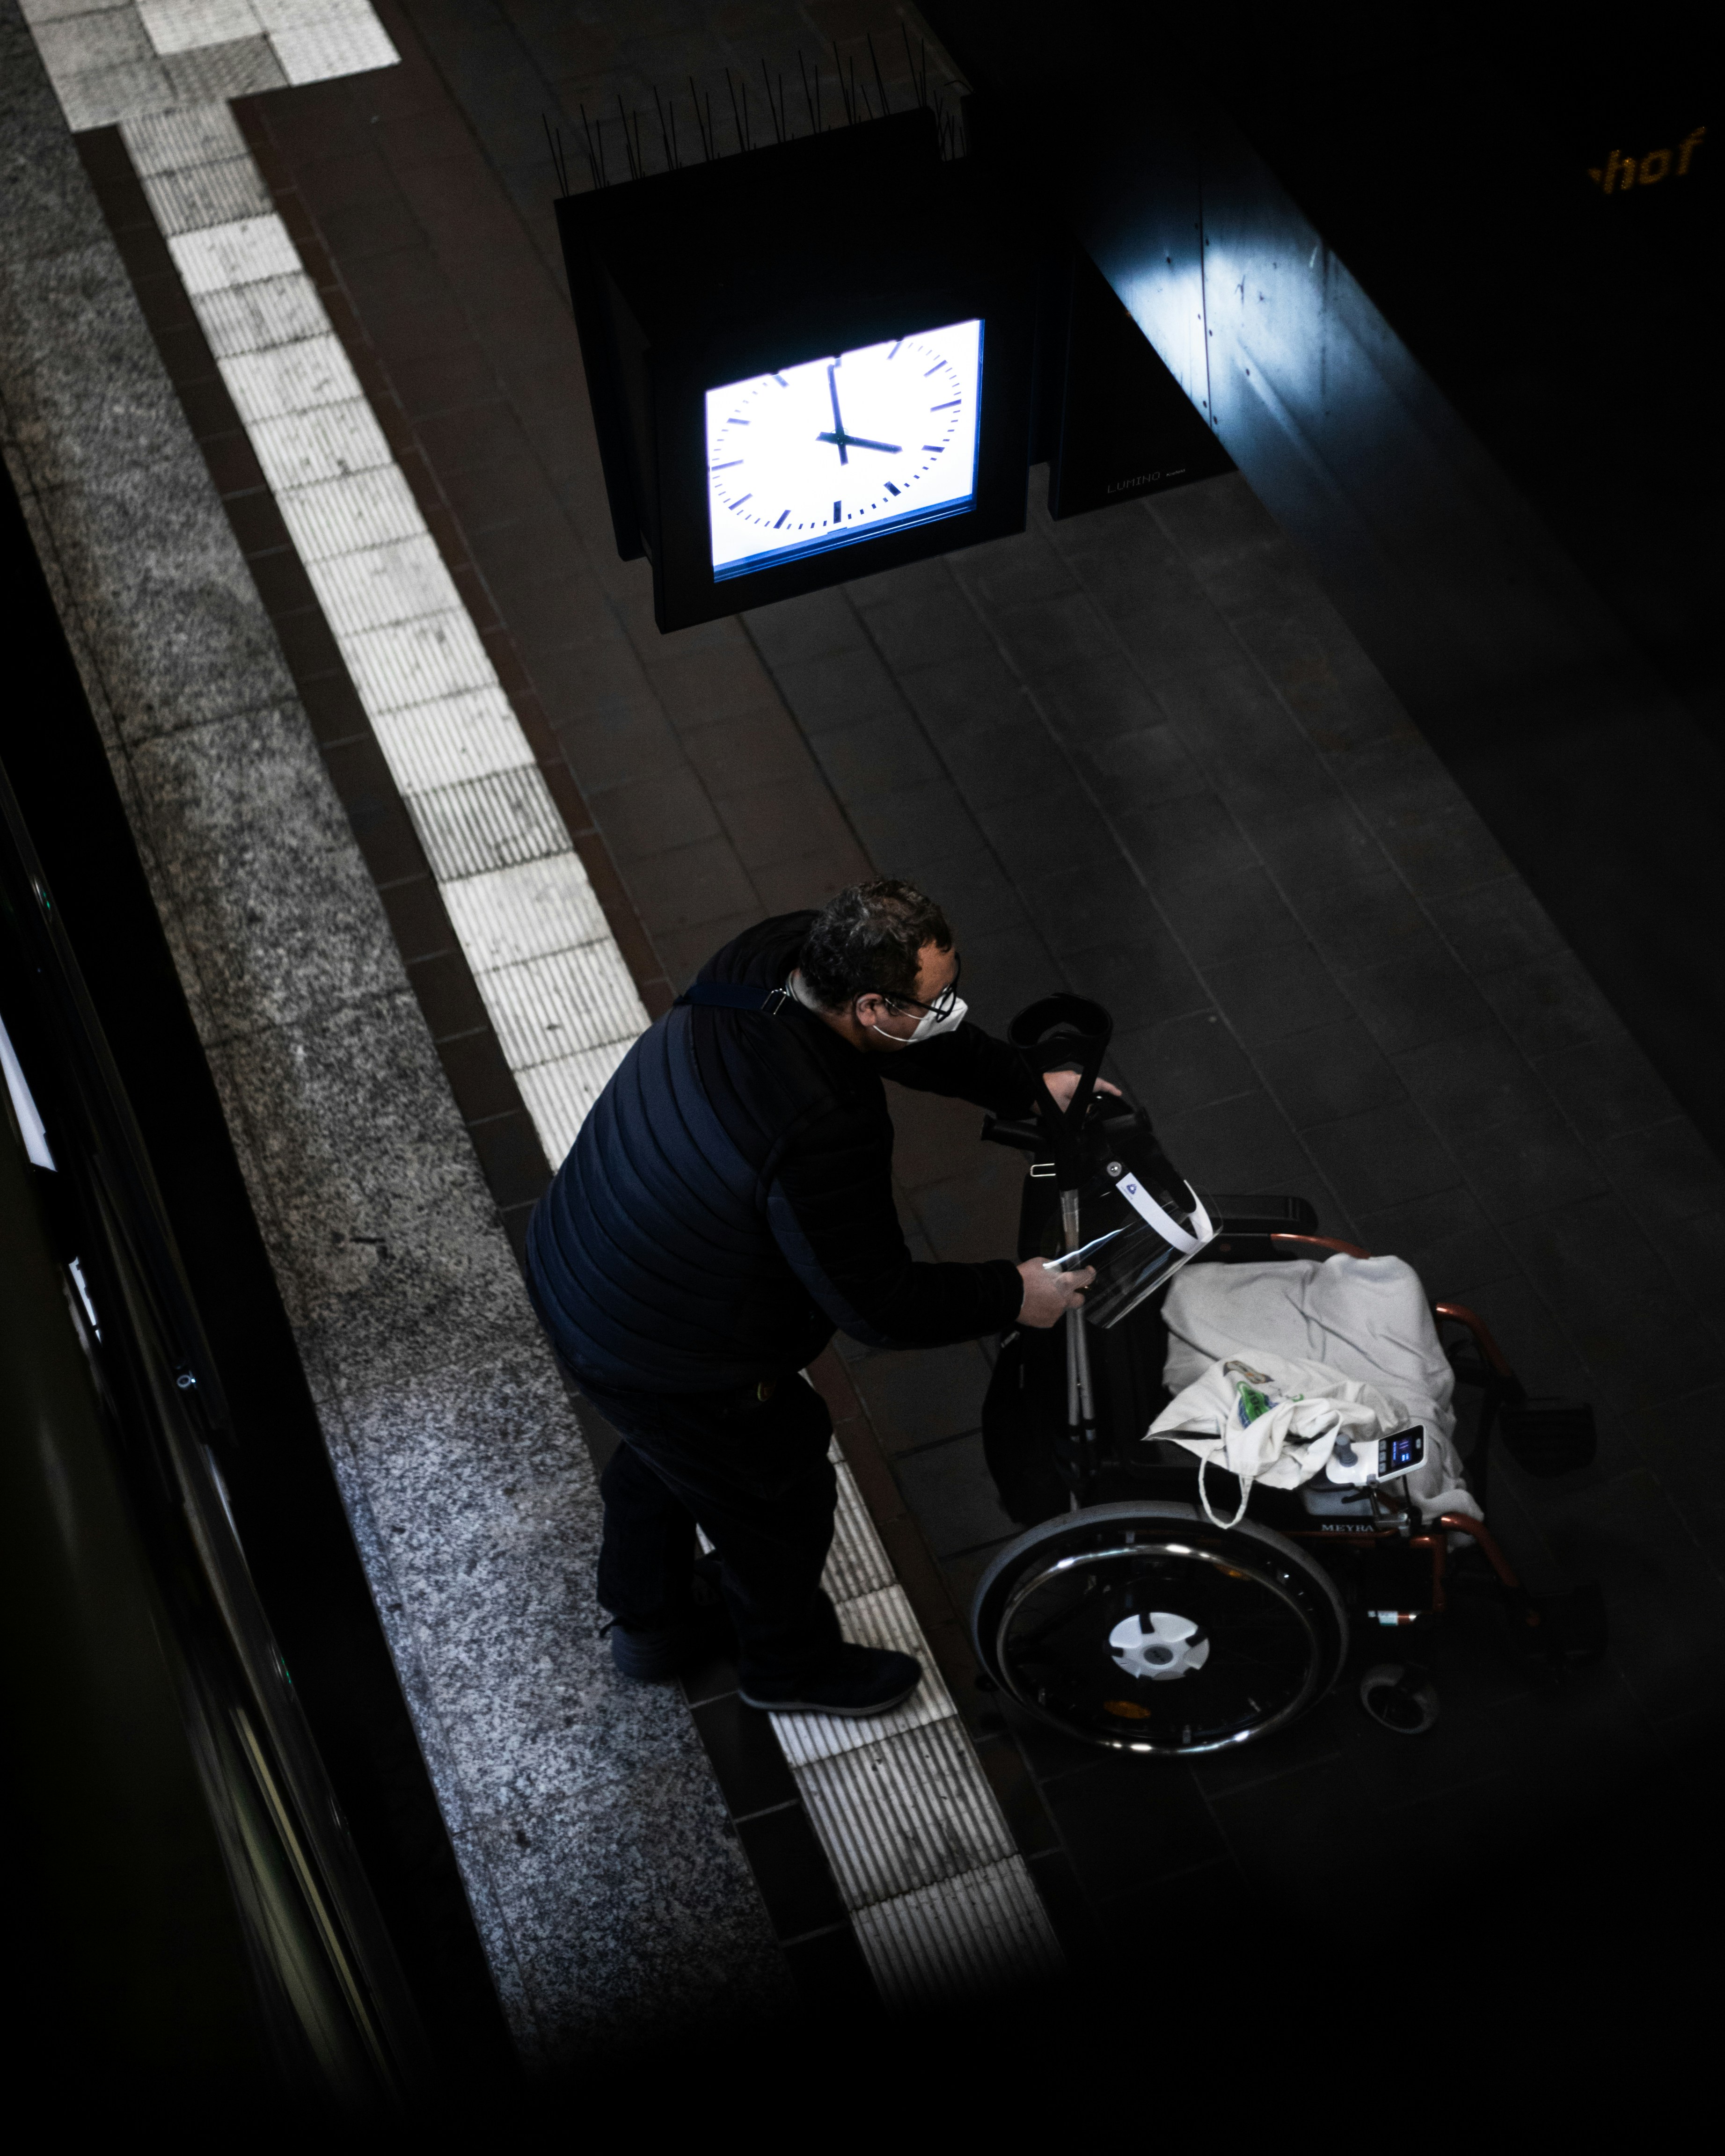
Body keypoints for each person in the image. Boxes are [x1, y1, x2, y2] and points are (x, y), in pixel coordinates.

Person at [526, 880, 1102, 1718]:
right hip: (664, 1340)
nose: (948, 1012)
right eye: (936, 1000)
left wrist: (1025, 1086)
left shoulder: (774, 957)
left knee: (673, 1453)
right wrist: (1013, 1292)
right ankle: (787, 1669)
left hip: (585, 1262)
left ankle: (649, 1625)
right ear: (869, 1002)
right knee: (776, 1498)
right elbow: (876, 1303)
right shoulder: (818, 1122)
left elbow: (907, 1041)